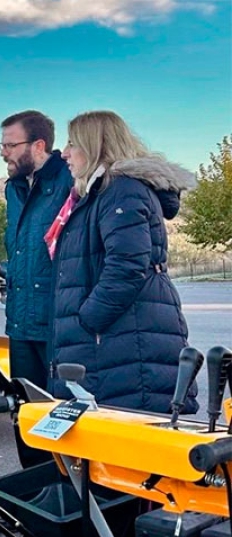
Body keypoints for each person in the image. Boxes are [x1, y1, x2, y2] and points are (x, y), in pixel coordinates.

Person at [50, 110, 198, 414]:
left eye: (72, 143)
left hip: (125, 342)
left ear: (95, 145)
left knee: (130, 439)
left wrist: (88, 319)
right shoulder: (98, 193)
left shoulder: (120, 191)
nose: (64, 153)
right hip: (115, 341)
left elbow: (128, 267)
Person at [0, 110, 75, 469]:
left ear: (39, 145)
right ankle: (32, 505)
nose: (2, 152)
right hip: (21, 325)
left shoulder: (69, 182)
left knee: (63, 422)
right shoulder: (12, 189)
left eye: (10, 144)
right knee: (26, 416)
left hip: (58, 326)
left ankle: (67, 505)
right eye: (1, 144)